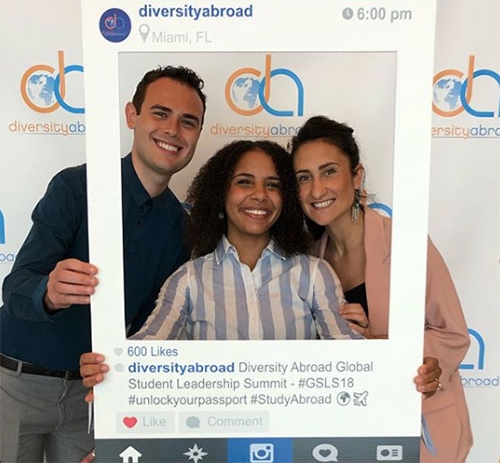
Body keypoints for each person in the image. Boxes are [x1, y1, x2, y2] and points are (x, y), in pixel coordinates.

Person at [0, 65, 207, 463]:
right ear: (132, 115)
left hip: (93, 397)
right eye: (160, 113)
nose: (173, 130)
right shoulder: (75, 188)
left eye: (188, 122)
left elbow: (148, 331)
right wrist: (50, 292)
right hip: (15, 385)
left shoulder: (182, 227)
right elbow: (16, 287)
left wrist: (129, 405)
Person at [80, 139, 362, 382]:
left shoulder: (314, 274)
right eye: (244, 182)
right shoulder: (188, 279)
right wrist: (109, 368)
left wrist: (399, 370)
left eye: (272, 185)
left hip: (295, 438)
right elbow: (147, 351)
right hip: (213, 440)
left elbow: (352, 356)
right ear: (220, 193)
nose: (260, 195)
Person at [289, 115, 473, 463]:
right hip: (352, 432)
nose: (316, 190)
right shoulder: (309, 262)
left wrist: (384, 350)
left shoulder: (406, 242)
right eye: (304, 178)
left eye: (329, 171)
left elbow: (452, 334)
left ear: (356, 177)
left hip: (422, 429)